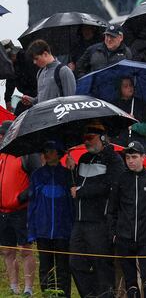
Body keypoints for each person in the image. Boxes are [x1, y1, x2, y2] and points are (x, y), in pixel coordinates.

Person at [69, 122, 125, 298]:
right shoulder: (84, 158)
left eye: (90, 138)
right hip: (80, 221)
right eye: (85, 139)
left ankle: (106, 295)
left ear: (102, 138)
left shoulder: (115, 159)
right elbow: (76, 186)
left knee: (101, 264)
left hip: (100, 221)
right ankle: (90, 295)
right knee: (75, 262)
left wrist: (81, 192)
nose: (86, 142)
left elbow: (111, 187)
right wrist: (73, 169)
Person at [108, 141, 146, 298]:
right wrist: (114, 233)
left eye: (134, 157)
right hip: (124, 238)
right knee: (130, 280)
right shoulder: (121, 180)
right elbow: (112, 209)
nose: (130, 161)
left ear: (143, 157)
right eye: (127, 157)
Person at [27, 140, 72, 298]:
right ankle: (48, 294)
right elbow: (32, 204)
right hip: (43, 229)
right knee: (45, 267)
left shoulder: (68, 174)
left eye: (51, 150)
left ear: (59, 153)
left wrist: (73, 168)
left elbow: (72, 204)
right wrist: (32, 229)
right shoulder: (37, 175)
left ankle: (64, 295)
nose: (47, 153)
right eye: (45, 150)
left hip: (63, 230)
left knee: (63, 267)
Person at [0, 121, 39, 296]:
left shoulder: (26, 153)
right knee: (7, 250)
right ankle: (13, 287)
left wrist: (20, 197)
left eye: (2, 134)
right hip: (2, 212)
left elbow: (37, 180)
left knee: (25, 249)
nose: (0, 137)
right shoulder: (1, 154)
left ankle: (28, 288)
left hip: (21, 210)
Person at [21, 39, 75, 106]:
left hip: (59, 114)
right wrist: (33, 100)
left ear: (45, 54)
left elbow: (71, 101)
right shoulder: (40, 72)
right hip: (43, 115)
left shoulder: (63, 71)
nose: (34, 62)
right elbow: (42, 99)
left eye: (36, 58)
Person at [112, 76, 146, 152]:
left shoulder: (143, 105)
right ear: (120, 89)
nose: (129, 88)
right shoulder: (113, 105)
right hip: (118, 148)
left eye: (131, 85)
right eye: (125, 86)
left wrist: (134, 125)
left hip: (139, 149)